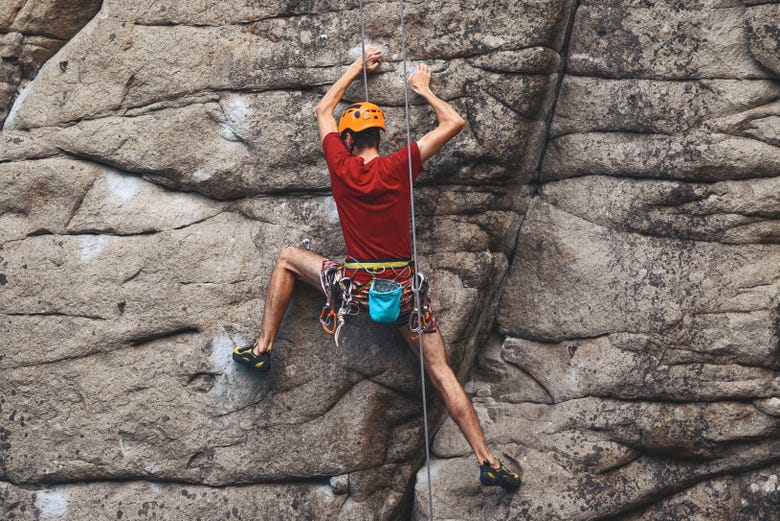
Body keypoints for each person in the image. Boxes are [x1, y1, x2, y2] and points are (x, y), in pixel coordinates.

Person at [233, 48, 521, 490]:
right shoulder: (399, 164)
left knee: (289, 256)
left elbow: (323, 108)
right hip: (405, 297)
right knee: (441, 373)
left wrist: (356, 68)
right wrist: (424, 91)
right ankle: (486, 459)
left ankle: (263, 348)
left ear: (349, 140)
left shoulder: (340, 165)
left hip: (356, 291)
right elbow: (454, 123)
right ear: (379, 137)